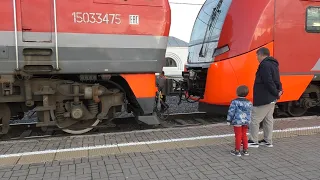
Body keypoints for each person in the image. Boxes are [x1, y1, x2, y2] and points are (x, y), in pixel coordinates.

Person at [248, 47, 283, 148]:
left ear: (261, 54)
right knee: (268, 120)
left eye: (257, 55)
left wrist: (276, 92)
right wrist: (279, 91)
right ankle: (268, 140)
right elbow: (277, 79)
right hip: (271, 98)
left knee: (255, 119)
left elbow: (268, 81)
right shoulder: (273, 64)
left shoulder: (264, 65)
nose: (257, 58)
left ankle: (253, 141)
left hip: (264, 98)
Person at [227, 85, 252, 157]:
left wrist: (229, 120)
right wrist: (249, 121)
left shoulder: (234, 102)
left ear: (237, 93)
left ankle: (237, 151)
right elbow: (250, 113)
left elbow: (231, 112)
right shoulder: (249, 102)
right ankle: (245, 150)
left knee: (238, 135)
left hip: (237, 121)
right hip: (246, 121)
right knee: (244, 135)